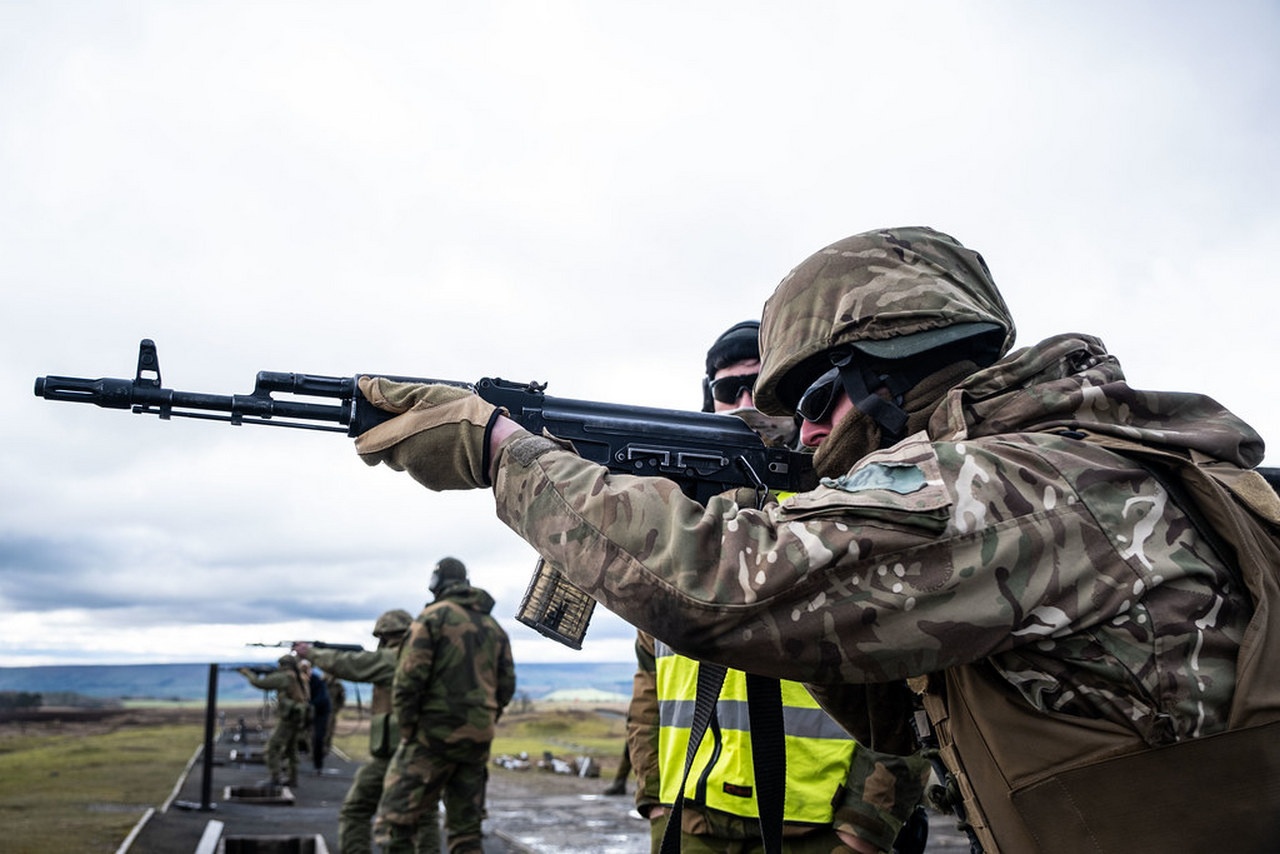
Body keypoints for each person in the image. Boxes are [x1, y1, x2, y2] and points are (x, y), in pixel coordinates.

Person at [352, 226, 1280, 852]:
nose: (798, 435)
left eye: (810, 402)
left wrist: (499, 447)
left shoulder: (1013, 487)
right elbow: (908, 700)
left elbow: (717, 584)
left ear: (886, 376)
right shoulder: (1077, 464)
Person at [627, 319, 926, 854]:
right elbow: (650, 669)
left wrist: (868, 825)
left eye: (758, 385)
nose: (743, 401)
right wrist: (654, 793)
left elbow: (914, 674)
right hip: (689, 816)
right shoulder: (681, 520)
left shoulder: (843, 504)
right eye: (726, 389)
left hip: (817, 826)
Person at [374, 557, 517, 854]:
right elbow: (506, 686)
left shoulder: (431, 618)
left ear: (437, 583)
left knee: (395, 822)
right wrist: (485, 720)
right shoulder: (493, 627)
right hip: (476, 740)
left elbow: (408, 680)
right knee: (466, 831)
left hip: (431, 737)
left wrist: (409, 729)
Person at [295, 610, 442, 854]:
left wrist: (310, 653)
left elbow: (351, 665)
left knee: (359, 809)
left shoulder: (397, 658)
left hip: (397, 750)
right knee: (424, 816)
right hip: (420, 748)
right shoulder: (426, 657)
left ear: (385, 636)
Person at [238, 653, 311, 787]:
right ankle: (292, 778)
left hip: (289, 718)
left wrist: (247, 673)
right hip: (298, 718)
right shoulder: (299, 677)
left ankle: (275, 778)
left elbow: (259, 683)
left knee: (272, 748)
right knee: (291, 749)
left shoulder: (285, 677)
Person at [302, 661, 332, 774]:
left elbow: (322, 698)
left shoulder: (316, 681)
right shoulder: (299, 682)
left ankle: (318, 765)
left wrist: (310, 704)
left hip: (321, 711)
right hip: (307, 710)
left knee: (318, 737)